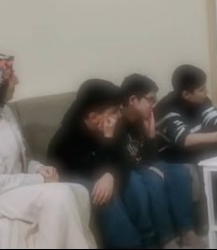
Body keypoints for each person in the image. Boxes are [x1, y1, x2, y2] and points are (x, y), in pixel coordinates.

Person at [0, 53, 96, 249]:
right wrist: (39, 180)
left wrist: (38, 169)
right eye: (10, 77)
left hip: (6, 192)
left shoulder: (4, 112)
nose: (17, 81)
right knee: (58, 196)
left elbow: (19, 161)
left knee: (79, 192)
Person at [48, 79, 157, 249]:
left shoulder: (108, 125)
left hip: (99, 176)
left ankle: (150, 242)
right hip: (76, 184)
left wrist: (110, 174)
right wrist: (107, 141)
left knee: (134, 181)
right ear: (93, 117)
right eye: (114, 111)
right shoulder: (65, 141)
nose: (118, 116)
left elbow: (124, 160)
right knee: (103, 193)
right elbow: (90, 172)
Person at [119, 73, 207, 249]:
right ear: (133, 100)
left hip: (144, 165)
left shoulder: (141, 120)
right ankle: (167, 239)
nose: (153, 106)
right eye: (150, 100)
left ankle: (187, 231)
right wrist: (148, 168)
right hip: (129, 170)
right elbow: (120, 161)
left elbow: (151, 158)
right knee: (154, 180)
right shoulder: (116, 122)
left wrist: (151, 136)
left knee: (180, 172)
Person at [155, 64, 217, 217]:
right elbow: (184, 139)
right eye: (201, 90)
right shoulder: (166, 108)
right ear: (186, 94)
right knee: (206, 153)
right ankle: (216, 208)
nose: (206, 92)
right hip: (172, 151)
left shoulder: (202, 101)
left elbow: (215, 119)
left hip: (196, 144)